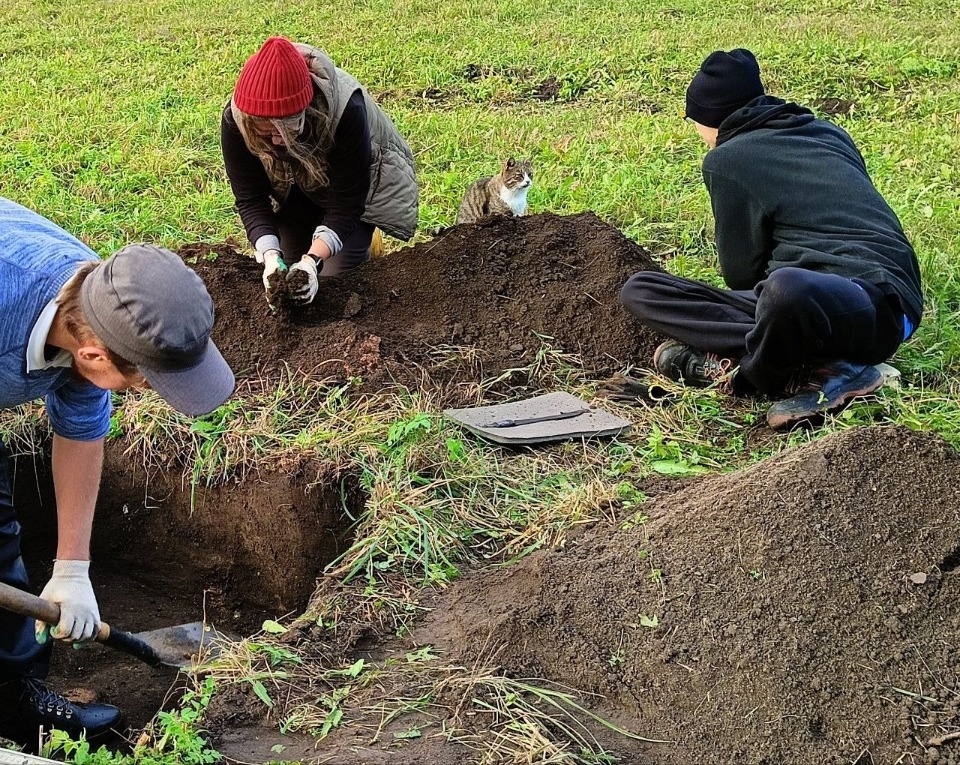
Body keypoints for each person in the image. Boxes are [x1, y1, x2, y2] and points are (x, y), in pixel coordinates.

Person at [0, 197, 235, 744]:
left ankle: (13, 699)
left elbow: (80, 432)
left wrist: (72, 567)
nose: (148, 392)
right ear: (94, 357)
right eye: (147, 381)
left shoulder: (102, 303)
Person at [620, 48, 922, 429]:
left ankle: (753, 377)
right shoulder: (827, 131)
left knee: (784, 288)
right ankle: (826, 367)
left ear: (709, 118)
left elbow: (741, 273)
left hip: (874, 305)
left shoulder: (727, 159)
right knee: (641, 289)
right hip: (866, 302)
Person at [221, 36, 419, 305]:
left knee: (331, 286)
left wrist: (312, 262)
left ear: (306, 108)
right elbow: (250, 198)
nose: (278, 142)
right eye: (268, 134)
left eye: (287, 131)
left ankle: (366, 243)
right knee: (288, 282)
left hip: (351, 195)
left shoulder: (346, 109)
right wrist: (269, 256)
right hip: (295, 190)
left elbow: (347, 203)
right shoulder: (237, 120)